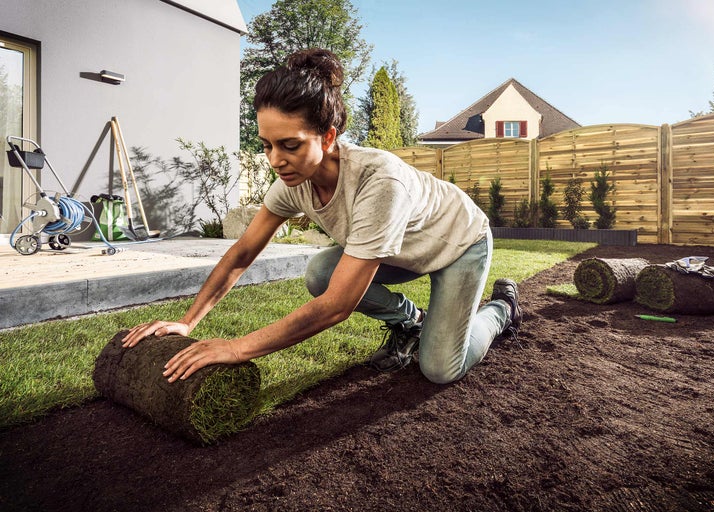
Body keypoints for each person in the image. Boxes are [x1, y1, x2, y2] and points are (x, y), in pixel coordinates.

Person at [122, 48, 522, 385]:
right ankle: (411, 321)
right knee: (319, 272)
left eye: (290, 145)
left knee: (439, 369)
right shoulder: (292, 181)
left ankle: (501, 309)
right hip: (401, 250)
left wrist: (236, 347)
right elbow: (243, 253)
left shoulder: (379, 181)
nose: (276, 160)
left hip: (457, 244)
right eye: (267, 145)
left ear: (328, 137)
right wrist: (188, 323)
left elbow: (337, 306)